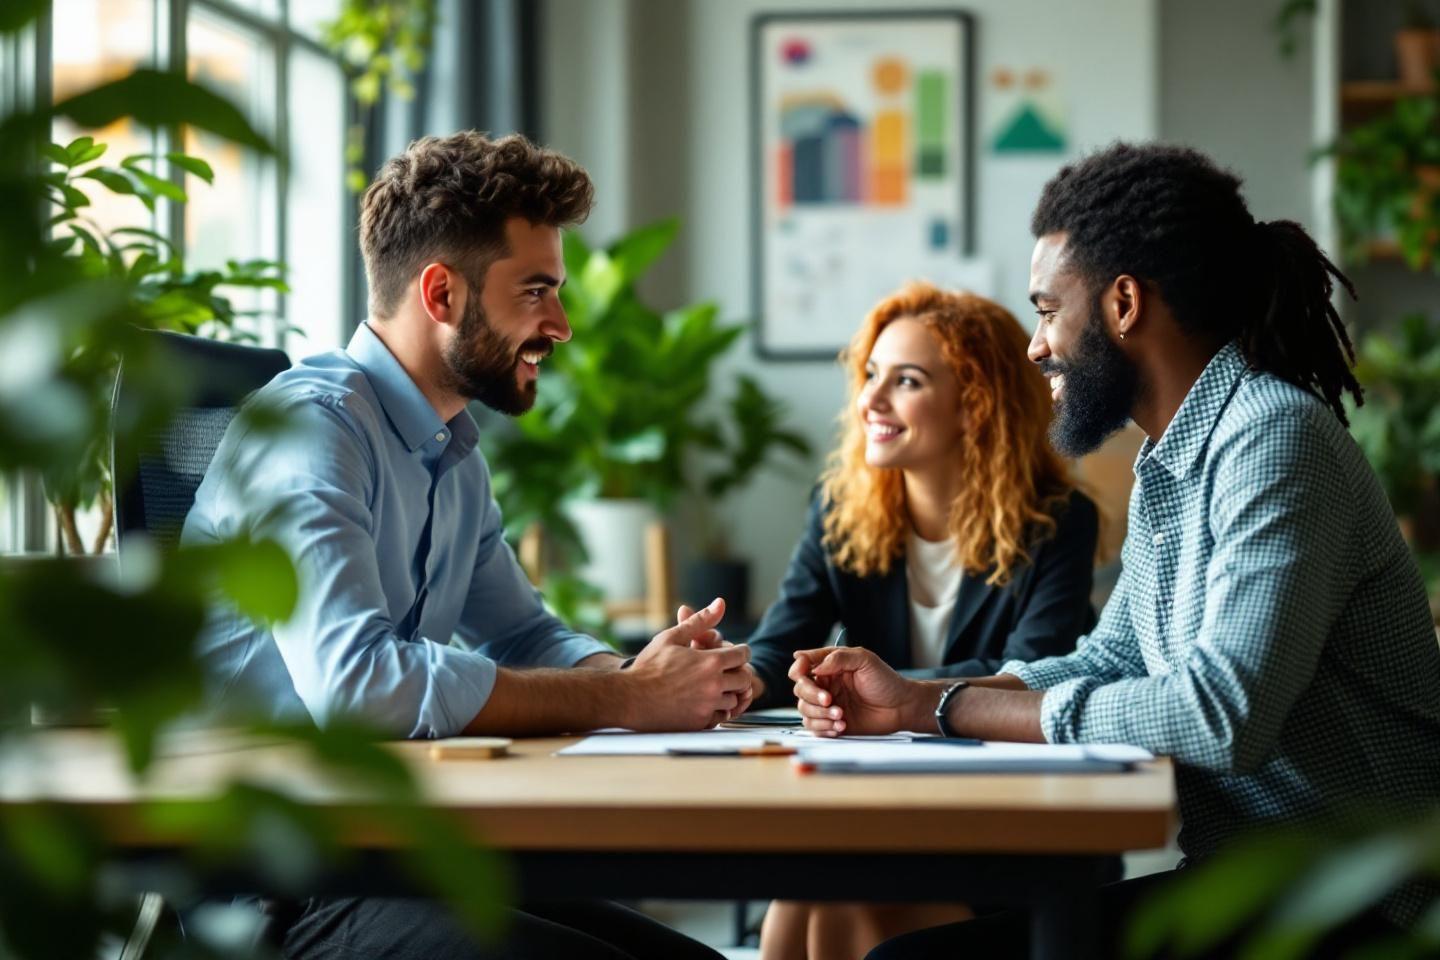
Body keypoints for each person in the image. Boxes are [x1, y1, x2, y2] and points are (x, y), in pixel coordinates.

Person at [788, 143, 1440, 958]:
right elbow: (1114, 655)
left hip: (1357, 907)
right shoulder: (1177, 459)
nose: (1036, 345)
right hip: (1255, 886)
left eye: (1046, 309)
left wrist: (936, 709)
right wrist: (913, 697)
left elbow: (1218, 716)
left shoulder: (1274, 440)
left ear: (1123, 303)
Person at [183, 132, 747, 959]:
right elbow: (359, 686)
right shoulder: (314, 431)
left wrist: (646, 675)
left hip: (395, 853)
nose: (561, 325)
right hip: (276, 883)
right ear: (442, 293)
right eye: (536, 291)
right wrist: (629, 699)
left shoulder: (450, 453)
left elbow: (522, 634)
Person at [746, 282, 1099, 960]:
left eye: (905, 381)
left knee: (840, 892)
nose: (871, 400)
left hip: (1005, 815)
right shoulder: (838, 510)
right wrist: (726, 675)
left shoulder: (1057, 522)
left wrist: (887, 693)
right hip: (878, 799)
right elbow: (779, 645)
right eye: (871, 374)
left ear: (975, 404)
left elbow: (1028, 673)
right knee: (804, 892)